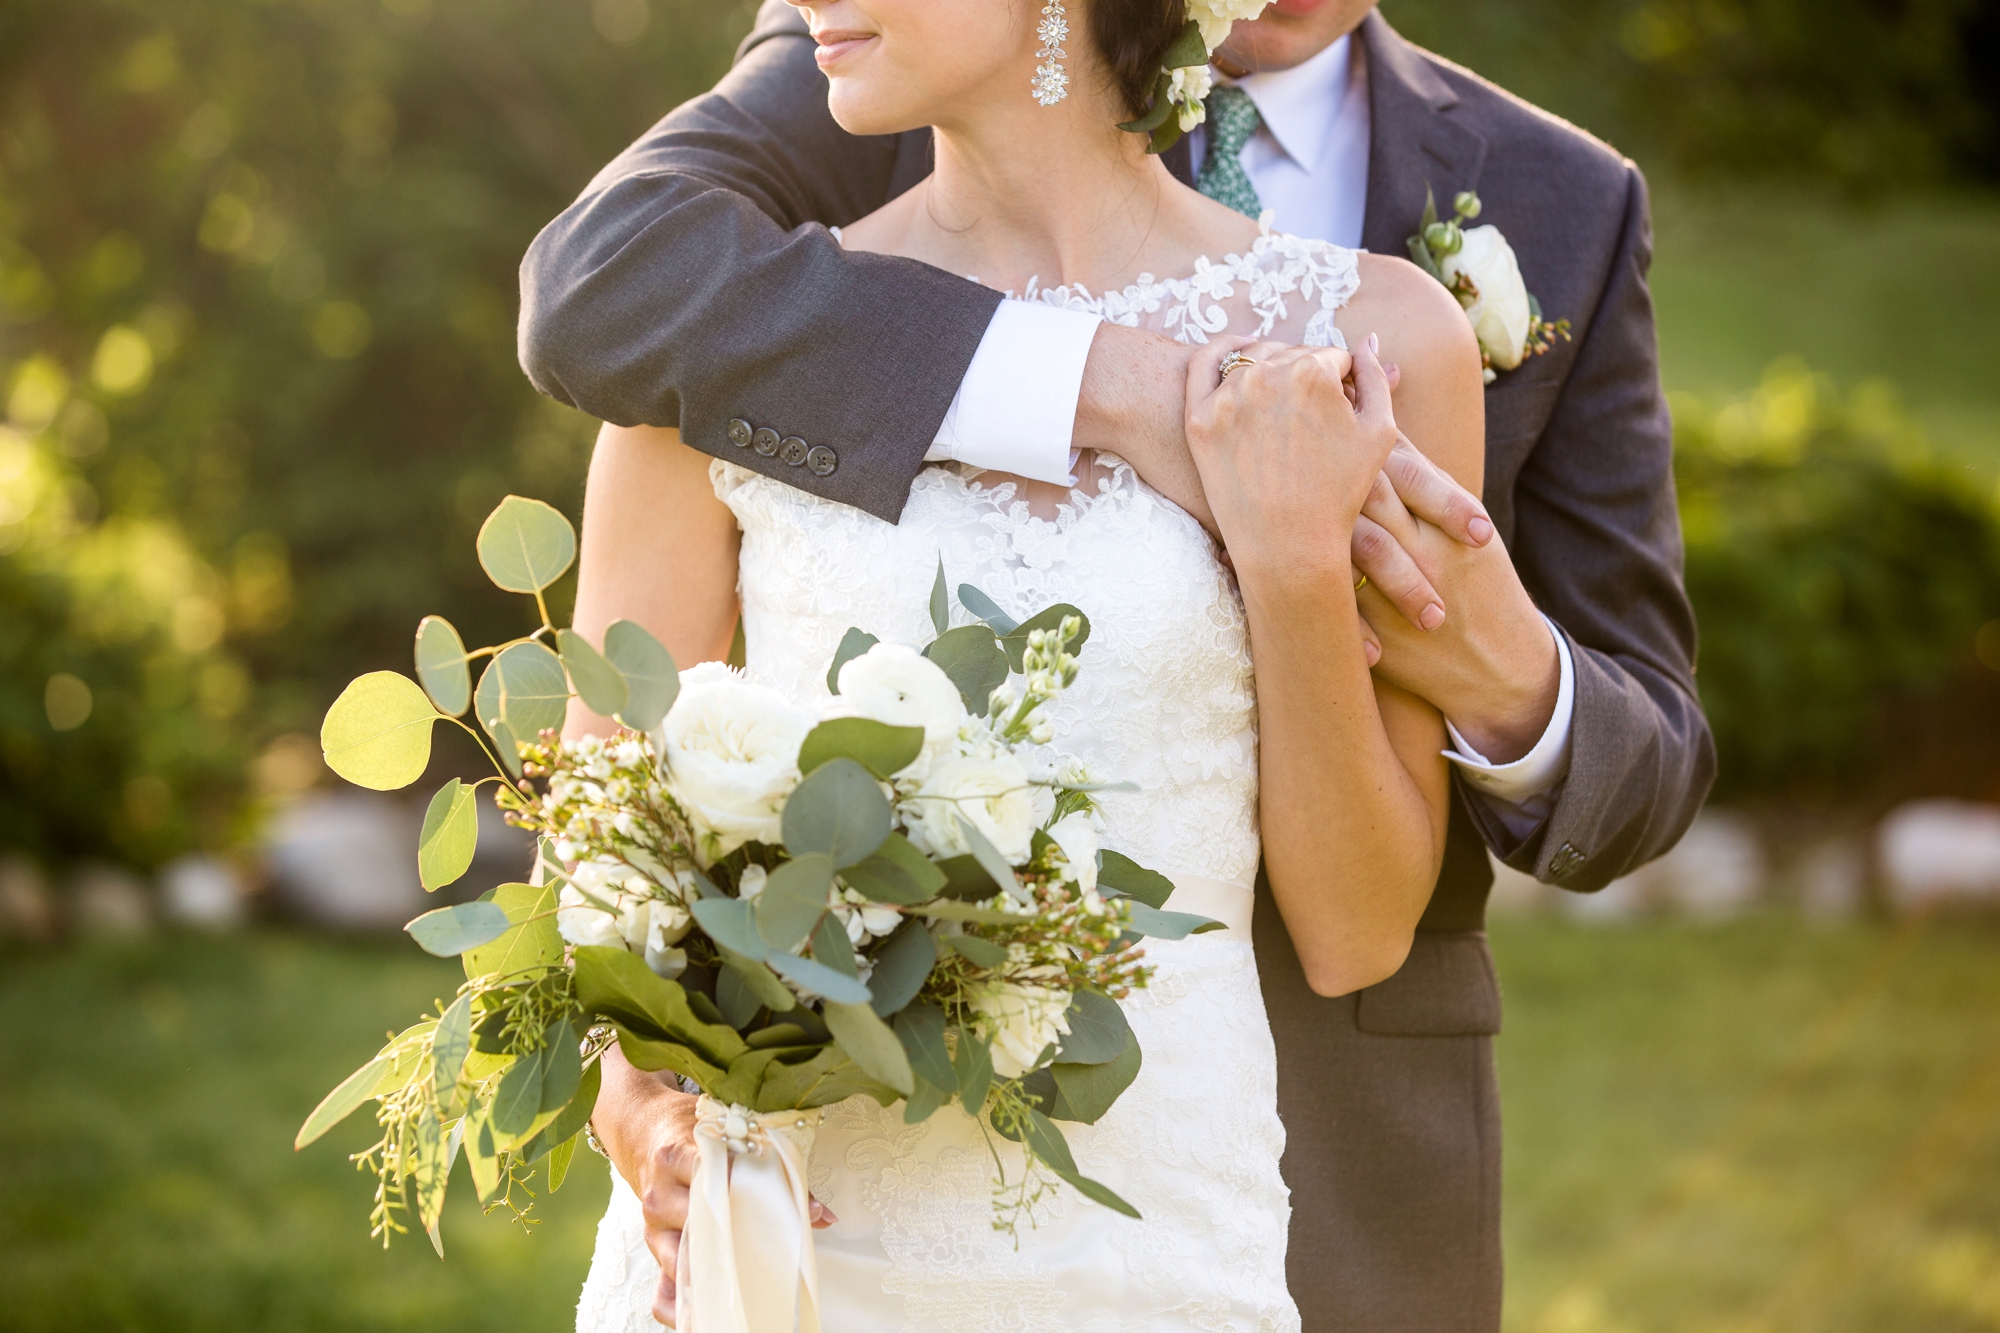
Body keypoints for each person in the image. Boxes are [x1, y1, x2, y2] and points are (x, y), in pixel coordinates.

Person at [521, 0, 1715, 1327]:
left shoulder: (1379, 335)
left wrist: (1294, 558)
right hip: (790, 1246)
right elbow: (597, 833)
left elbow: (1361, 929)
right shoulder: (726, 345)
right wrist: (639, 1094)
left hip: (1157, 1244)